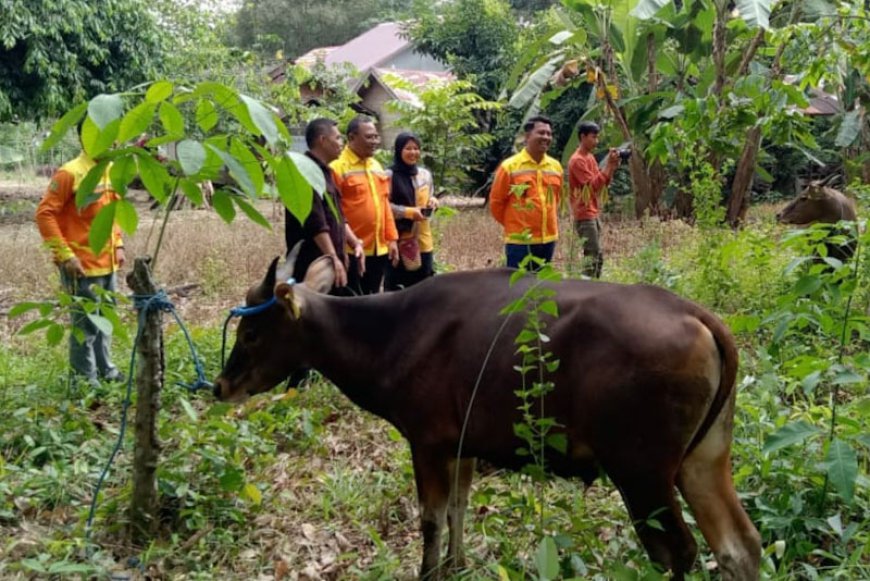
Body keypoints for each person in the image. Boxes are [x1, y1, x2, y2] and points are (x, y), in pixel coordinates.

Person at [35, 121, 125, 386]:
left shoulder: (109, 170)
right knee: (84, 327)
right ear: (88, 138)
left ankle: (106, 371)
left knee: (105, 321)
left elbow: (112, 212)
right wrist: (65, 255)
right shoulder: (70, 173)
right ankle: (85, 381)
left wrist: (118, 244)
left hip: (108, 264)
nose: (115, 142)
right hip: (81, 265)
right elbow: (44, 214)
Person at [284, 118, 365, 291]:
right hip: (314, 269)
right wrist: (333, 258)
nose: (342, 144)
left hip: (330, 266)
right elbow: (316, 224)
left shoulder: (327, 173)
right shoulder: (304, 173)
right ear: (322, 140)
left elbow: (338, 216)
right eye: (338, 138)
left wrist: (355, 242)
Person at [330, 116, 399, 294]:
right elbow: (333, 212)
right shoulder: (337, 167)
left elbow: (384, 204)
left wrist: (391, 239)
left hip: (378, 249)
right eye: (369, 137)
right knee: (351, 300)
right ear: (352, 138)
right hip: (351, 250)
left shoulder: (376, 165)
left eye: (376, 136)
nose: (375, 141)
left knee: (373, 298)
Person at [489, 115, 563, 270]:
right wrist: (515, 224)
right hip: (520, 242)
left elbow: (556, 199)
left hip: (548, 239)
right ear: (528, 136)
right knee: (518, 288)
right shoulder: (509, 166)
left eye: (549, 134)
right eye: (541, 133)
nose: (546, 137)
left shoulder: (555, 167)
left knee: (540, 287)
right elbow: (496, 204)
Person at [385, 132, 438, 290]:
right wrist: (408, 212)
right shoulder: (389, 175)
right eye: (408, 148)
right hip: (398, 239)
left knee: (423, 287)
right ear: (398, 150)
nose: (413, 152)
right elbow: (384, 207)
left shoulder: (424, 175)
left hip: (423, 239)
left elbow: (429, 196)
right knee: (398, 288)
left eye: (416, 148)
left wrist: (433, 201)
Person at [568, 121, 621, 278]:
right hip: (584, 214)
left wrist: (612, 167)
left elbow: (602, 183)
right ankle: (586, 288)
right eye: (593, 137)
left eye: (597, 137)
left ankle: (593, 286)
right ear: (583, 137)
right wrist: (609, 166)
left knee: (597, 256)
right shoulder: (578, 160)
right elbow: (592, 186)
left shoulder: (589, 157)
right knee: (592, 256)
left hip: (592, 211)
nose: (596, 141)